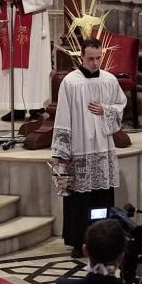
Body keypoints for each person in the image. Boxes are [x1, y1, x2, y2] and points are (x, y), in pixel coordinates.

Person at [52, 37, 128, 259]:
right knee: (79, 200)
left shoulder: (109, 80)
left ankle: (104, 242)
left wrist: (106, 110)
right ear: (81, 57)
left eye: (98, 58)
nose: (95, 63)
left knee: (101, 199)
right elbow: (63, 117)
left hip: (103, 147)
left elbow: (120, 106)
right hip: (79, 148)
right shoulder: (70, 82)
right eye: (90, 59)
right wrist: (63, 152)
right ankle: (78, 241)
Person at [0, 0, 56, 121]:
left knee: (33, 67)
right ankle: (16, 107)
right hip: (10, 27)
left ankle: (37, 107)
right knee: (13, 67)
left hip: (34, 30)